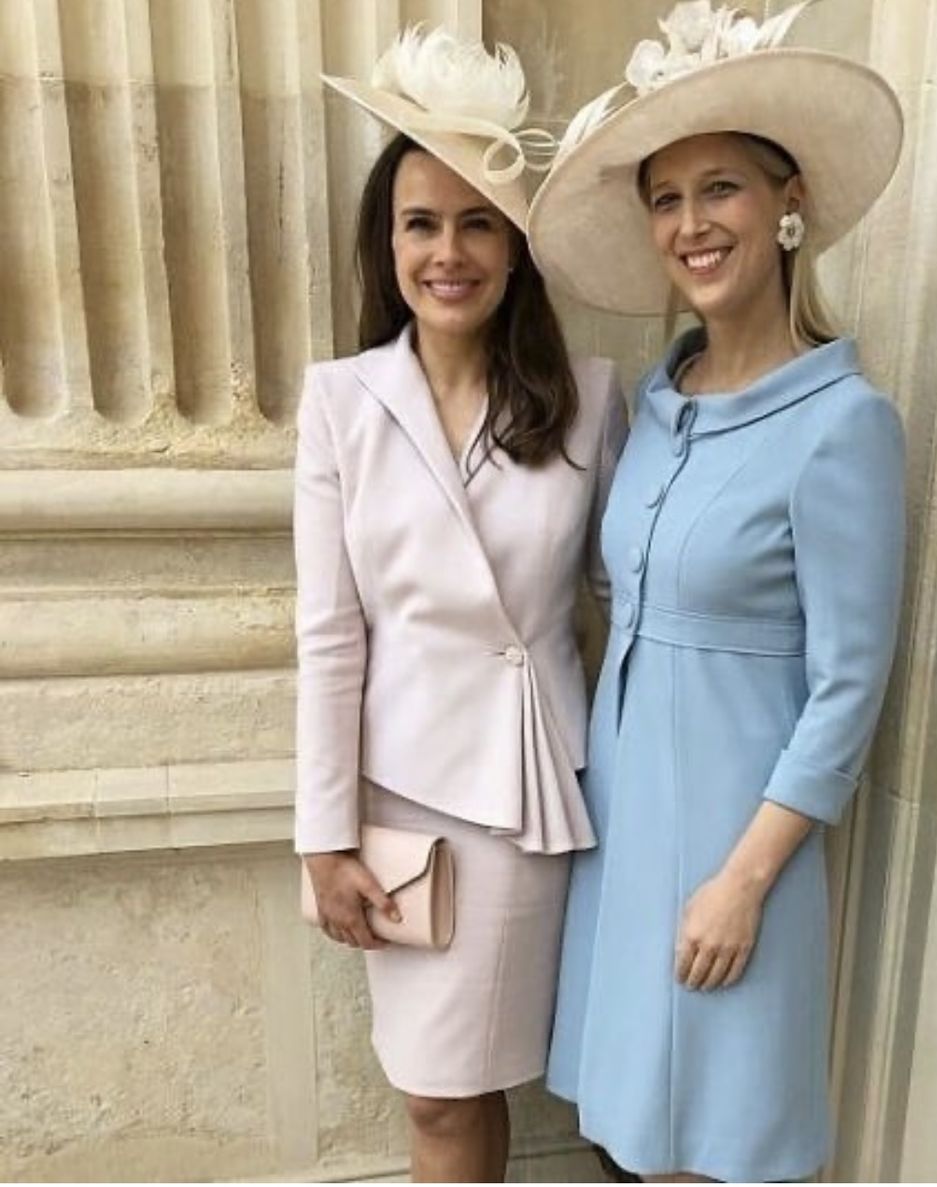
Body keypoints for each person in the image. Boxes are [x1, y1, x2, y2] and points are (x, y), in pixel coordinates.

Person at [527, 3, 906, 1181]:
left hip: (735, 853)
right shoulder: (655, 410)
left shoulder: (842, 426)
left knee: (717, 1146)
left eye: (720, 189)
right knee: (629, 1139)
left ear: (786, 204)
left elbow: (847, 687)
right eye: (665, 198)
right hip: (622, 840)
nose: (689, 223)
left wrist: (741, 882)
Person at [293, 25, 626, 1184]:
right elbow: (329, 632)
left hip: (530, 793)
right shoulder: (339, 401)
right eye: (421, 223)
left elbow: (620, 598)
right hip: (398, 794)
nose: (448, 251)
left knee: (472, 1084)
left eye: (479, 222)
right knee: (434, 1091)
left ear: (517, 246)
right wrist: (323, 833)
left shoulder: (588, 397)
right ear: (386, 242)